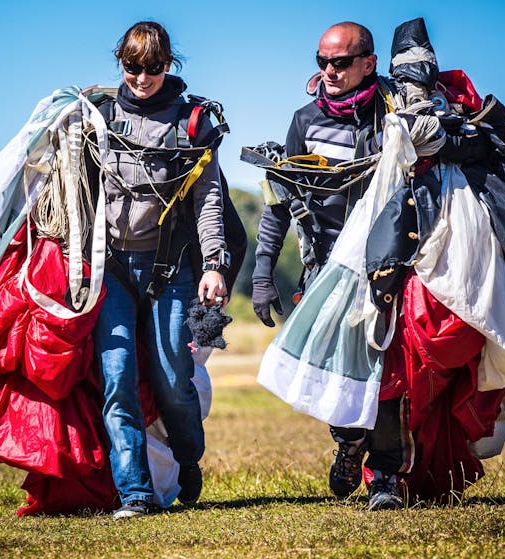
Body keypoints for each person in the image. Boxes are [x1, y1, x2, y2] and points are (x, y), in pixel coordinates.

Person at [251, 21, 408, 510]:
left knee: (385, 371)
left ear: (369, 63)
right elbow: (282, 197)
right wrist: (262, 273)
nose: (329, 71)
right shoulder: (305, 120)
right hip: (326, 266)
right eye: (322, 61)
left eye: (340, 62)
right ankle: (349, 441)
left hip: (389, 263)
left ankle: (383, 477)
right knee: (335, 371)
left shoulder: (397, 116)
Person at [91, 21, 230, 520]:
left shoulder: (193, 122)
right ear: (120, 62)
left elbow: (209, 199)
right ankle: (135, 493)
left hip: (170, 267)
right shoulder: (97, 118)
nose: (142, 77)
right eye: (132, 66)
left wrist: (214, 265)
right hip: (110, 270)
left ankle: (188, 458)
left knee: (174, 376)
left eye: (152, 68)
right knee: (117, 375)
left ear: (168, 65)